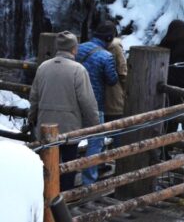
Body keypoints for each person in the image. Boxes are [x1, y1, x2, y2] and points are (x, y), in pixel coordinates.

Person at [29, 32, 99, 191]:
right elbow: (87, 101)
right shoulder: (78, 70)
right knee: (68, 166)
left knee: (46, 165)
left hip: (45, 125)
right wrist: (95, 124)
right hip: (69, 127)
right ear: (74, 49)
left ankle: (45, 197)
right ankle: (64, 201)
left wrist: (31, 118)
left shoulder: (43, 67)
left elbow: (34, 97)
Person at [73, 22, 118, 186]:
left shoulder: (77, 48)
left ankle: (66, 179)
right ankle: (88, 182)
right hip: (95, 104)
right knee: (95, 142)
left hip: (74, 102)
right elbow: (112, 80)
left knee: (71, 140)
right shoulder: (106, 56)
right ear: (108, 38)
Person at [103, 23, 128, 154]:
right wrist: (127, 90)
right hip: (115, 94)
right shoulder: (117, 47)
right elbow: (122, 71)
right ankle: (119, 159)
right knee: (118, 129)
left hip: (101, 96)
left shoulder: (97, 46)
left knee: (102, 131)